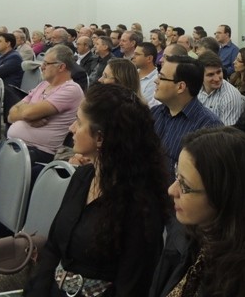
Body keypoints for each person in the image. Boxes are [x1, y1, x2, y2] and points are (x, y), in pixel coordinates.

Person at [25, 84, 170, 296]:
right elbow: (54, 248)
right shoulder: (83, 177)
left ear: (100, 138)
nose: (71, 128)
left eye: (79, 122)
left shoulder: (141, 205)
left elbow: (131, 287)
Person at [149, 127, 245, 297]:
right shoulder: (183, 232)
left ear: (223, 196)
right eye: (177, 176)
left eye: (185, 186)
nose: (171, 190)